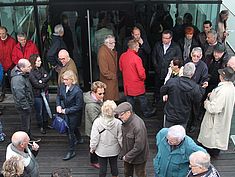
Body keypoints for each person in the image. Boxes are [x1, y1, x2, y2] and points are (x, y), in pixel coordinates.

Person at [198, 67, 235, 158]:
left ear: (222, 76)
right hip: (223, 118)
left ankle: (208, 155)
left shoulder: (222, 91)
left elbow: (214, 108)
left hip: (215, 120)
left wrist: (206, 102)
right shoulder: (231, 88)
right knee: (217, 139)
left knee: (211, 140)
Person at [161, 62, 204, 128]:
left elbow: (162, 91)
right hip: (184, 115)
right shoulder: (195, 88)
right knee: (180, 135)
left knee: (167, 133)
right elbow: (197, 100)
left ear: (183, 71)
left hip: (170, 113)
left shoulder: (172, 82)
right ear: (193, 73)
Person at [119, 39, 155, 118]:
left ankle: (129, 114)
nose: (139, 48)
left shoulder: (122, 56)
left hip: (127, 83)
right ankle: (147, 112)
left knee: (129, 100)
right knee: (142, 99)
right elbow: (141, 73)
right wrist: (143, 78)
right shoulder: (137, 58)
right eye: (138, 47)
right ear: (134, 48)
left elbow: (121, 68)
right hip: (137, 83)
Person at [114, 102, 149, 177]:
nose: (119, 117)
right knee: (127, 173)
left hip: (139, 157)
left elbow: (139, 147)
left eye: (121, 114)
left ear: (128, 112)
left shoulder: (138, 126)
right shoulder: (125, 121)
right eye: (118, 114)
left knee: (140, 174)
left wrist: (127, 157)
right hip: (127, 154)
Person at [90, 100, 122, 177]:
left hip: (101, 150)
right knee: (114, 166)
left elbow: (94, 138)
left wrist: (92, 148)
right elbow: (121, 138)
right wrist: (123, 148)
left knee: (102, 169)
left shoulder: (97, 122)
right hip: (114, 149)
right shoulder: (118, 123)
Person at [56, 70, 83, 161]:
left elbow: (78, 106)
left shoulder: (78, 91)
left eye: (66, 80)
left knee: (70, 131)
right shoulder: (62, 87)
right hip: (65, 111)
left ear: (72, 80)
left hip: (73, 114)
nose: (64, 81)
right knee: (72, 128)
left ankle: (71, 151)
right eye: (64, 79)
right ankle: (79, 138)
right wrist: (58, 105)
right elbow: (58, 97)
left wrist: (66, 110)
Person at [152, 30, 182, 103]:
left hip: (169, 72)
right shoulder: (158, 45)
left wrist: (172, 69)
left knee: (167, 88)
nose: (164, 40)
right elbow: (153, 56)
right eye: (163, 38)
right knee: (157, 87)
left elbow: (179, 60)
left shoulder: (176, 47)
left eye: (166, 38)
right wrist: (156, 67)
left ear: (170, 38)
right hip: (159, 71)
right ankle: (156, 101)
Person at [84, 81, 107, 169]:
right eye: (100, 93)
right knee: (94, 145)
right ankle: (94, 161)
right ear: (93, 92)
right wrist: (105, 111)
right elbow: (95, 120)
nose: (102, 96)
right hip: (93, 130)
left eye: (103, 93)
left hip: (96, 129)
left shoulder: (97, 99)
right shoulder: (91, 106)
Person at [11, 59, 34, 137]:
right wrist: (27, 107)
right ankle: (26, 143)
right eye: (29, 66)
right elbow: (20, 96)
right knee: (25, 125)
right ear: (22, 68)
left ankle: (29, 139)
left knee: (27, 124)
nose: (31, 67)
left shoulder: (22, 75)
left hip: (26, 104)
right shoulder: (18, 79)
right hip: (23, 107)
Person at [29, 54, 51, 134]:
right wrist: (43, 81)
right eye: (38, 61)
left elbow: (48, 76)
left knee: (46, 109)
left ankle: (46, 123)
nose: (40, 62)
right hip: (37, 94)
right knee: (39, 111)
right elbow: (36, 84)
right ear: (33, 62)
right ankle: (41, 126)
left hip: (44, 92)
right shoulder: (31, 72)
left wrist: (41, 80)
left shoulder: (41, 68)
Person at [97, 35, 119, 101]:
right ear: (105, 43)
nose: (114, 45)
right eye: (111, 43)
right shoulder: (102, 53)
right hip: (108, 82)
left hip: (111, 81)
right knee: (109, 102)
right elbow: (104, 71)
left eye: (114, 42)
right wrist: (113, 76)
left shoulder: (108, 50)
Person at [0, 26, 16, 102]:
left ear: (6, 32)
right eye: (0, 33)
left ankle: (15, 95)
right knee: (1, 81)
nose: (2, 35)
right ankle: (2, 94)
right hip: (1, 65)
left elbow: (14, 53)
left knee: (12, 81)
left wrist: (12, 63)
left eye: (3, 33)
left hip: (11, 65)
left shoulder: (12, 41)